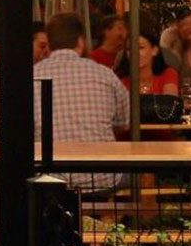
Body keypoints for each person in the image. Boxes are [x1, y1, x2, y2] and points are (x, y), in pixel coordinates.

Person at [33, 12, 128, 190]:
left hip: (50, 178)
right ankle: (112, 217)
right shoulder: (105, 74)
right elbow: (124, 123)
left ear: (50, 44)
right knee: (143, 175)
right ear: (80, 41)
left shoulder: (32, 76)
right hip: (104, 176)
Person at [118, 28, 180, 96]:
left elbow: (169, 103)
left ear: (154, 50)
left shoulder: (168, 74)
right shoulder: (121, 81)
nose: (134, 53)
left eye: (141, 47)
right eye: (129, 49)